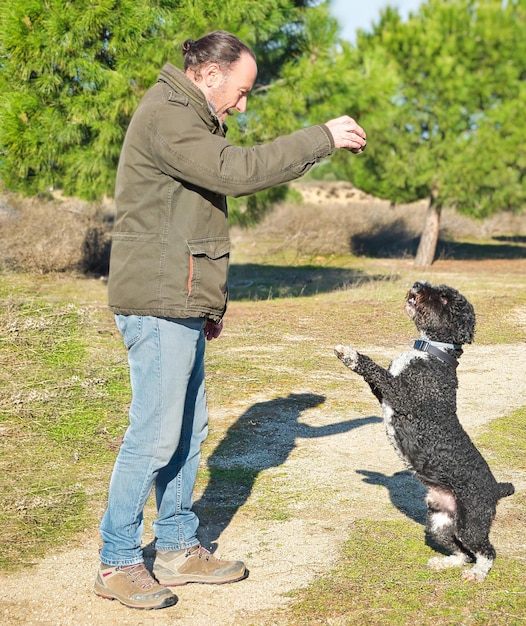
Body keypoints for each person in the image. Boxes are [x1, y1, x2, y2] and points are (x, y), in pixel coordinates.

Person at [94, 30, 366, 610]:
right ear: (209, 74)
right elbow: (236, 172)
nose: (242, 106)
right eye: (240, 92)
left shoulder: (191, 115)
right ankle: (117, 559)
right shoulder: (168, 114)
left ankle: (174, 547)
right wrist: (322, 138)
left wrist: (208, 304)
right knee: (154, 434)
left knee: (188, 431)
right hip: (160, 298)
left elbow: (193, 219)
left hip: (182, 297)